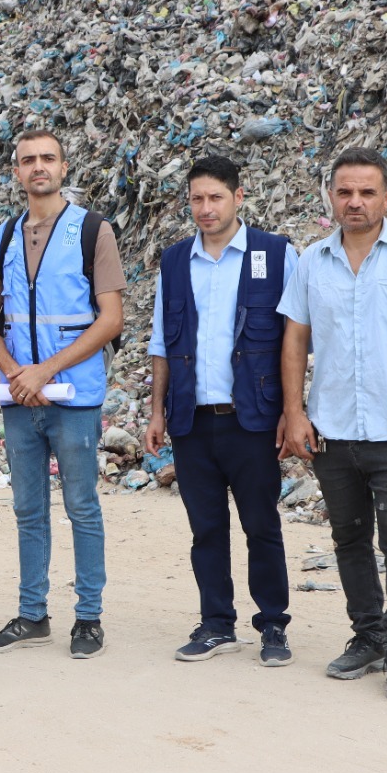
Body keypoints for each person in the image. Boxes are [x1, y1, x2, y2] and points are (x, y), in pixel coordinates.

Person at [278, 149, 387, 700]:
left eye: (367, 192)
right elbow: (295, 340)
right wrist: (295, 412)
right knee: (349, 538)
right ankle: (368, 635)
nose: (355, 202)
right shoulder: (311, 262)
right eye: (345, 192)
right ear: (331, 197)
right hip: (332, 430)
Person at [0, 129, 125, 659]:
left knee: (82, 506)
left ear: (63, 168)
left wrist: (45, 372)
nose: (38, 167)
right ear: (16, 172)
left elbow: (111, 319)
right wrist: (18, 374)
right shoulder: (3, 237)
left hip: (74, 397)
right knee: (28, 510)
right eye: (28, 160)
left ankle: (89, 618)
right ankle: (32, 614)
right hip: (20, 399)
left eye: (48, 158)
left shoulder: (93, 230)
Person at [145, 155, 298, 666]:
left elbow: (296, 339)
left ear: (238, 197)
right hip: (192, 420)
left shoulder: (274, 254)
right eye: (197, 199)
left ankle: (273, 624)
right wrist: (157, 412)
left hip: (252, 419)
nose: (206, 208)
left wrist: (292, 410)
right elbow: (162, 343)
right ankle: (216, 624)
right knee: (206, 529)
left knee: (261, 525)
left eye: (215, 197)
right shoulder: (175, 262)